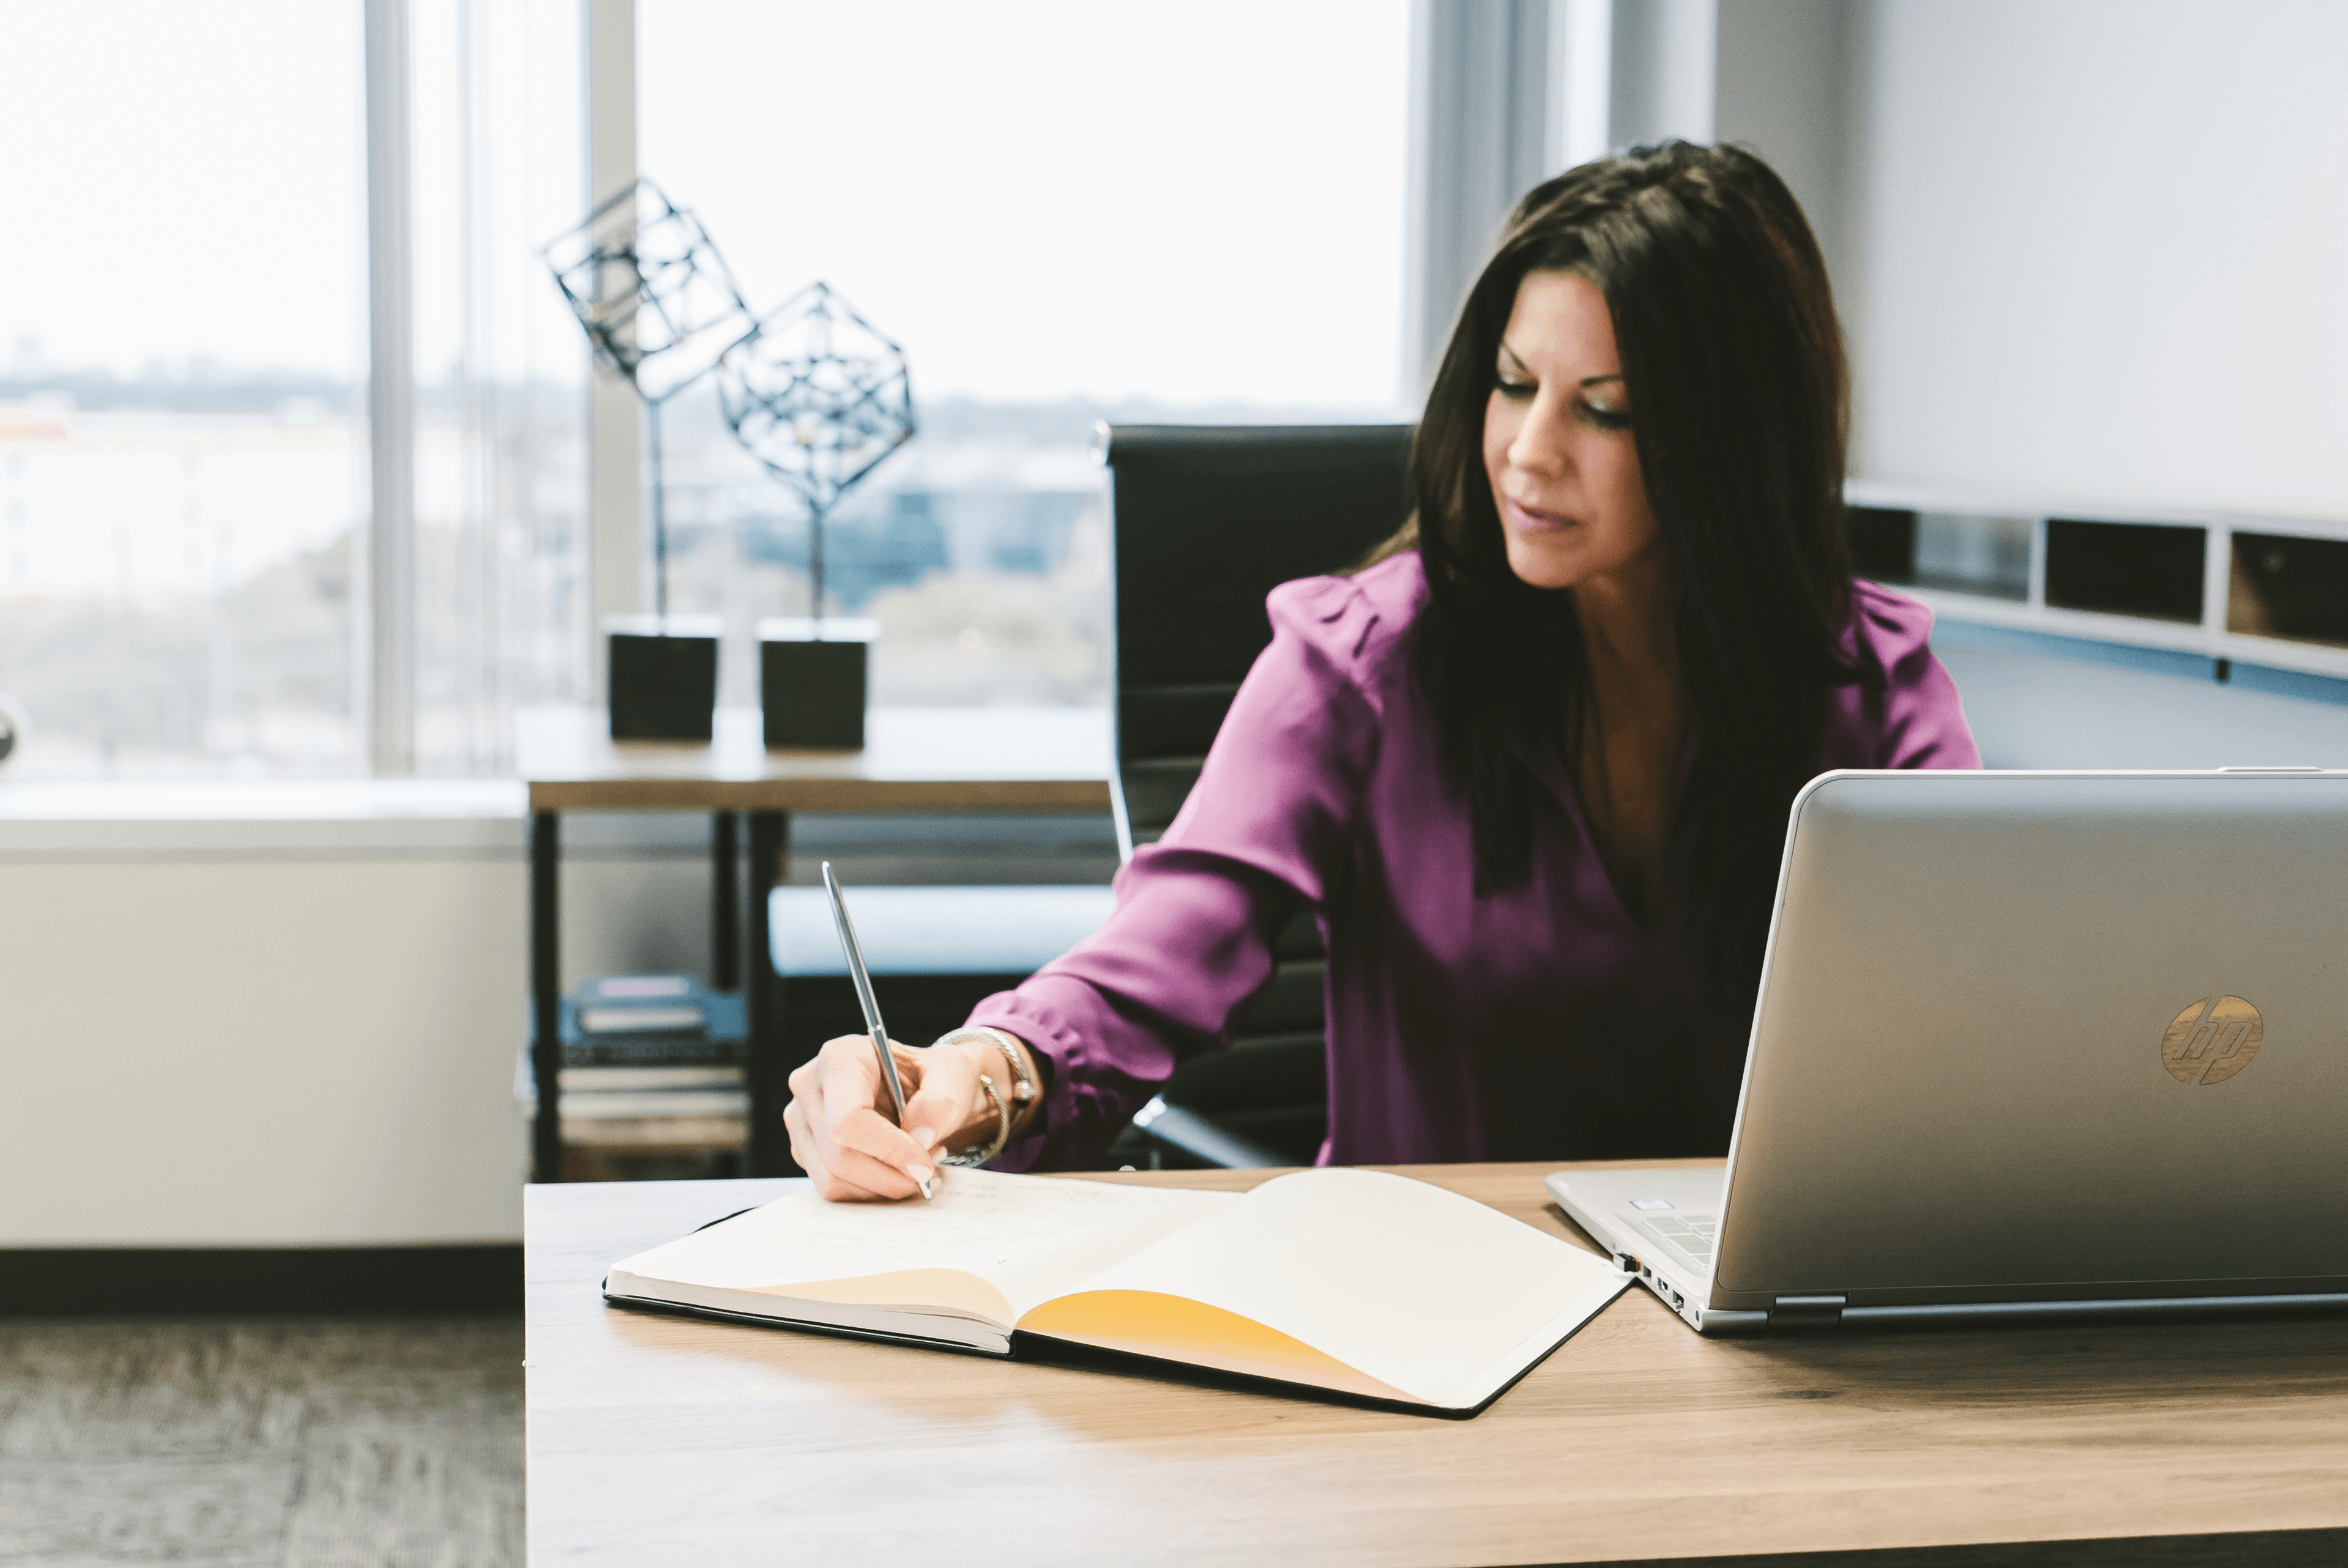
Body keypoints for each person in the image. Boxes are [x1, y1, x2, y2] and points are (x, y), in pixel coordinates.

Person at [784, 141, 1981, 1201]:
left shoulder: (1862, 682)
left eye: (1604, 410)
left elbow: (1984, 997)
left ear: (1733, 440)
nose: (1528, 450)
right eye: (1514, 385)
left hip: (1753, 1341)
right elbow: (1157, 959)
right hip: (1430, 1320)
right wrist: (979, 1072)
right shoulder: (1363, 662)